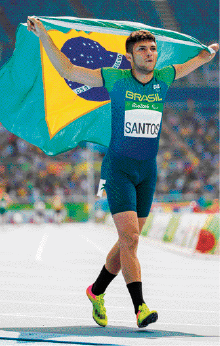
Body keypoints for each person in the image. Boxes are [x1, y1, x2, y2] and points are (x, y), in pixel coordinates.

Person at [27, 17, 219, 328]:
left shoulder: (164, 78)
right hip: (118, 169)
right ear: (129, 55)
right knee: (129, 237)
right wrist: (45, 37)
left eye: (153, 49)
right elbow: (69, 71)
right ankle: (140, 307)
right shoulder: (116, 78)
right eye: (142, 49)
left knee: (130, 240)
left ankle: (96, 290)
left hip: (147, 171)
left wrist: (206, 54)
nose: (149, 53)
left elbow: (191, 64)